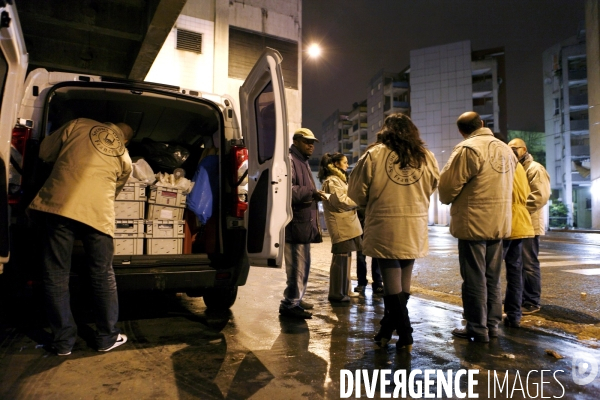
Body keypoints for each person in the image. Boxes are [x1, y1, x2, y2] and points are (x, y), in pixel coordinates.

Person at [28, 118, 134, 355]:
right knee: (103, 273)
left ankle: (63, 342)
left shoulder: (78, 124)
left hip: (60, 205)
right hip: (97, 212)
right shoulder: (124, 154)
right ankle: (107, 337)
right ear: (125, 139)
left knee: (56, 273)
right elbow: (117, 187)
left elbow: (45, 152)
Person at [348, 113, 439, 352]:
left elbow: (356, 193)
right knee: (403, 281)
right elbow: (432, 186)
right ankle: (387, 331)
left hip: (384, 222)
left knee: (391, 284)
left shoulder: (374, 155)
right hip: (414, 222)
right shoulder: (425, 157)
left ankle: (406, 334)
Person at [439, 111, 515, 343]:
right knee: (493, 277)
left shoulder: (467, 149)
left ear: (462, 131)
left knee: (474, 277)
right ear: (482, 124)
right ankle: (492, 325)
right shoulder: (505, 149)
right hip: (499, 221)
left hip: (474, 221)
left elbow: (446, 188)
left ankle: (476, 327)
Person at [280, 128, 324, 319]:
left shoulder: (303, 162)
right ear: (296, 141)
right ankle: (290, 303)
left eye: (313, 142)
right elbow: (287, 190)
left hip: (304, 222)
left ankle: (297, 298)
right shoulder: (290, 160)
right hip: (295, 222)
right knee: (296, 265)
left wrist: (315, 195)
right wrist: (311, 193)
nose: (311, 145)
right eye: (307, 141)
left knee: (303, 264)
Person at [507, 138, 551, 315]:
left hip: (530, 223)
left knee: (529, 263)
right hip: (519, 223)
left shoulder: (535, 169)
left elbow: (540, 196)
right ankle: (520, 299)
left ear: (524, 149)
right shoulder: (516, 167)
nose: (511, 151)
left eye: (514, 148)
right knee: (518, 263)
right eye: (509, 148)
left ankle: (532, 301)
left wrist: (520, 210)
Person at [317, 152, 362, 302]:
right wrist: (358, 201)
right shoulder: (332, 181)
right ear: (336, 164)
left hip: (347, 224)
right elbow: (340, 202)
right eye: (344, 162)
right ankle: (337, 293)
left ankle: (345, 290)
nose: (347, 165)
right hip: (341, 225)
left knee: (346, 258)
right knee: (340, 259)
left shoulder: (339, 180)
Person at [502, 162, 535, 328]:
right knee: (515, 272)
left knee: (490, 273)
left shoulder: (501, 163)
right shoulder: (519, 166)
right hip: (521, 220)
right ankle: (514, 316)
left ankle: (489, 316)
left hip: (505, 219)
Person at [354, 208, 384, 295]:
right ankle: (362, 282)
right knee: (361, 255)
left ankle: (378, 283)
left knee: (376, 253)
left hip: (375, 223)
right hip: (362, 222)